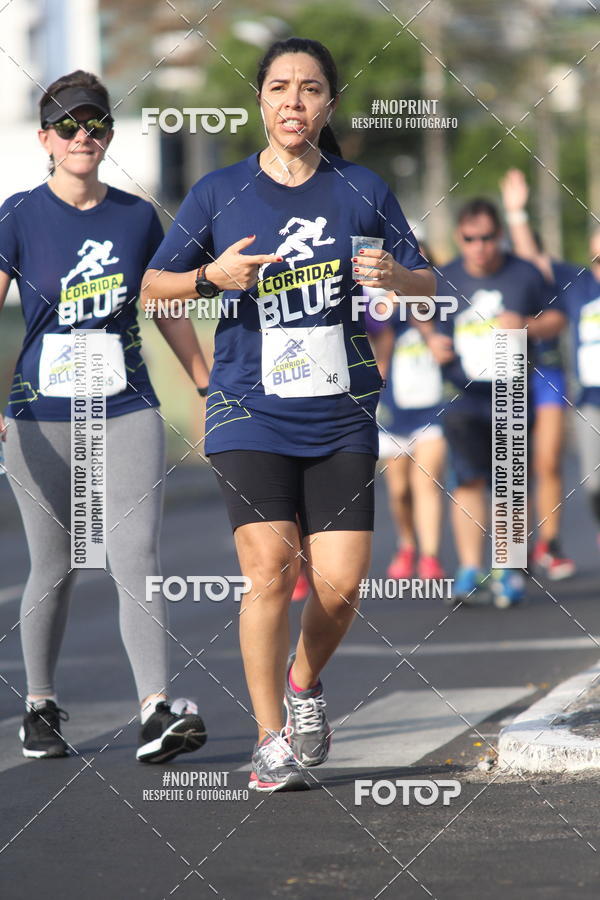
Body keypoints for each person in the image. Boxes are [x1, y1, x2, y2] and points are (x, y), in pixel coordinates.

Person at [142, 37, 435, 791]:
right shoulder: (220, 191)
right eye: (279, 87)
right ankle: (269, 737)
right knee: (269, 571)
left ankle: (303, 685)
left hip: (339, 413)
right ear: (261, 101)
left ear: (329, 104)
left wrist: (396, 275)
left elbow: (428, 282)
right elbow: (152, 287)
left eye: (309, 88)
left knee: (340, 583)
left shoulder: (361, 188)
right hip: (248, 408)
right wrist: (210, 277)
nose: (294, 101)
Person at [0, 70, 208, 763]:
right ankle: (39, 705)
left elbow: (165, 304)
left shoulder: (137, 217)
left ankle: (155, 710)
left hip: (125, 405)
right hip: (41, 414)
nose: (81, 136)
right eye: (67, 126)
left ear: (110, 136)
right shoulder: (18, 215)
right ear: (45, 139)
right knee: (55, 564)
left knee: (136, 554)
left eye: (94, 125)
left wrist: (204, 384)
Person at [426, 199, 561, 607]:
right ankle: (470, 569)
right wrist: (433, 341)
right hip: (463, 394)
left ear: (499, 235)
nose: (480, 247)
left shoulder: (524, 273)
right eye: (471, 239)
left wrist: (528, 325)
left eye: (487, 238)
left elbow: (558, 317)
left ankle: (508, 569)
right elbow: (421, 317)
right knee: (466, 480)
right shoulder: (445, 278)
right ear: (459, 237)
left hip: (512, 390)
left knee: (510, 483)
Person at [500, 169, 600, 552]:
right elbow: (533, 263)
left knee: (549, 464)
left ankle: (550, 544)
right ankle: (519, 549)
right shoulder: (578, 282)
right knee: (588, 480)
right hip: (586, 396)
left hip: (556, 381)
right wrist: (517, 214)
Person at [365, 242, 447, 582]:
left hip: (433, 407)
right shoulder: (382, 301)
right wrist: (397, 295)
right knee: (400, 490)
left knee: (426, 483)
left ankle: (430, 557)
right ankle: (408, 543)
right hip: (393, 407)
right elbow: (371, 324)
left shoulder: (444, 299)